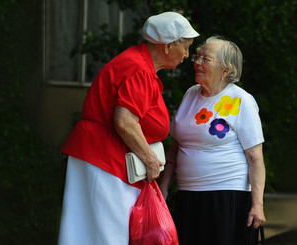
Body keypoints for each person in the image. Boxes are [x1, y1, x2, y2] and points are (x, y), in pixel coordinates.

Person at [57, 12, 199, 245]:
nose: (186, 55)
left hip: (107, 158)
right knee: (107, 232)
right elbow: (125, 121)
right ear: (168, 45)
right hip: (104, 157)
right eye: (186, 47)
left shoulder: (139, 64)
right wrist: (151, 160)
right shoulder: (138, 68)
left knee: (97, 231)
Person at [159, 36, 266, 245]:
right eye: (197, 57)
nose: (197, 62)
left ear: (226, 69)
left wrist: (258, 205)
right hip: (188, 195)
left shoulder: (242, 100)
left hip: (226, 197)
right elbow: (175, 147)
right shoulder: (190, 94)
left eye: (206, 59)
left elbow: (255, 159)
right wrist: (164, 187)